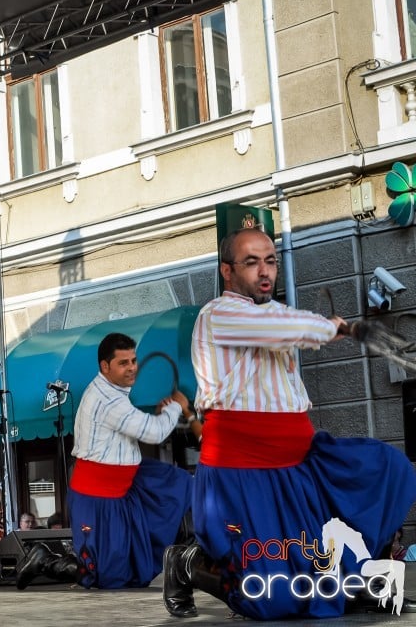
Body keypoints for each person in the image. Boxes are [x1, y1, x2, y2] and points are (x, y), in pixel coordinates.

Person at [163, 227, 416, 620]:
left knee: (390, 471)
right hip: (243, 466)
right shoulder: (218, 314)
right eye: (251, 262)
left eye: (270, 261)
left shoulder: (274, 311)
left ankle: (361, 580)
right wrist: (342, 328)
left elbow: (288, 321)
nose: (265, 271)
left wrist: (333, 327)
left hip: (300, 458)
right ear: (227, 271)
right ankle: (188, 564)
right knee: (270, 598)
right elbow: (283, 330)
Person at [16, 333, 193, 590]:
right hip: (98, 496)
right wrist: (176, 407)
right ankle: (44, 561)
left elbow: (134, 428)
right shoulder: (107, 400)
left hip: (127, 487)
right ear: (105, 366)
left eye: (133, 360)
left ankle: (190, 561)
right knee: (106, 575)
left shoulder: (113, 391)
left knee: (180, 483)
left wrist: (162, 412)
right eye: (123, 363)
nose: (132, 367)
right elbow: (154, 433)